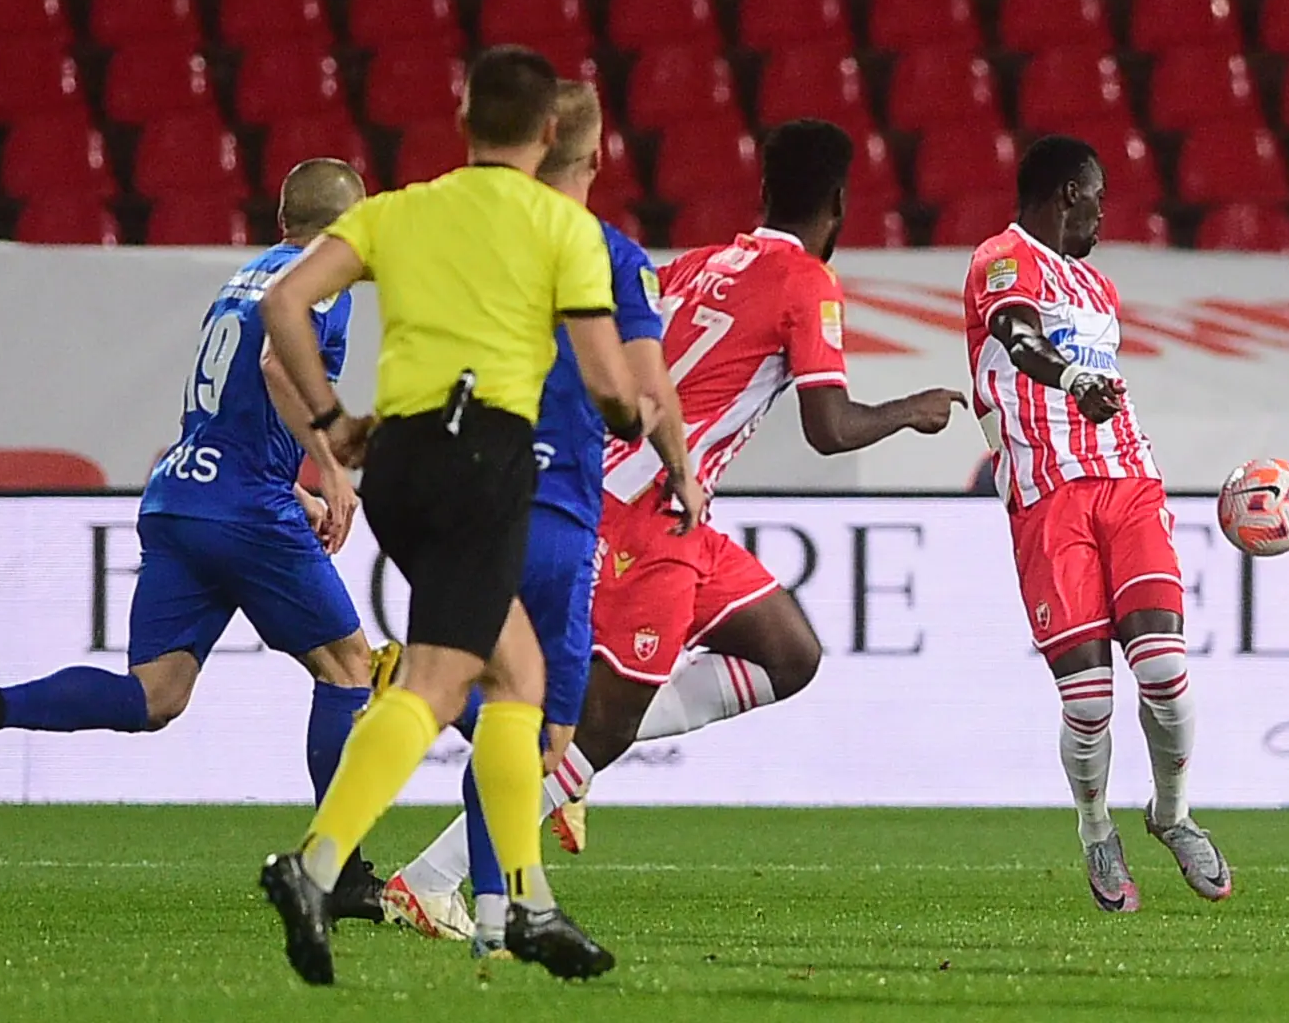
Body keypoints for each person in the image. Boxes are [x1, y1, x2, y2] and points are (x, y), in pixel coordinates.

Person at [378, 119, 963, 935]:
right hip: (644, 517)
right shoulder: (805, 282)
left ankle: (550, 750)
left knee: (788, 652)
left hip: (662, 505)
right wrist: (911, 410)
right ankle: (428, 877)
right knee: (601, 729)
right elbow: (827, 427)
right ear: (839, 203)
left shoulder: (692, 266)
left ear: (764, 193)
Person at [252, 45, 642, 986]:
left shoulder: (401, 209)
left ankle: (528, 905)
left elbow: (284, 301)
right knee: (435, 682)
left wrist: (331, 422)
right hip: (484, 462)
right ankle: (314, 866)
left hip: (398, 463)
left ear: (465, 121)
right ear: (550, 133)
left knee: (516, 675)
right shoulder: (562, 227)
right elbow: (606, 383)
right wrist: (633, 413)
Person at [0, 159, 387, 922]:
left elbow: (237, 397)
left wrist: (293, 486)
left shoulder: (247, 276)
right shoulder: (318, 277)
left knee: (156, 694)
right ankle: (336, 869)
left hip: (179, 493)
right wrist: (333, 469)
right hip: (244, 508)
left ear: (281, 223)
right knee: (348, 671)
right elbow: (278, 366)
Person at [376, 80, 700, 957]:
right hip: (551, 504)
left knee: (491, 694)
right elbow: (642, 387)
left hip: (448, 488)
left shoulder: (466, 238)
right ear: (593, 156)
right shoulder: (608, 253)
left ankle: (493, 905)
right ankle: (507, 910)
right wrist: (678, 466)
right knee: (539, 721)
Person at [965, 135, 1228, 913]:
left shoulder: (1099, 288)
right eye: (1100, 199)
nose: (1104, 216)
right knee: (1086, 702)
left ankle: (1171, 815)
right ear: (1069, 194)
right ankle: (1094, 831)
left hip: (1128, 481)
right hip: (1048, 495)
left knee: (1166, 677)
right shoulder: (1001, 259)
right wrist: (1073, 376)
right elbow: (1017, 335)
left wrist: (1094, 387)